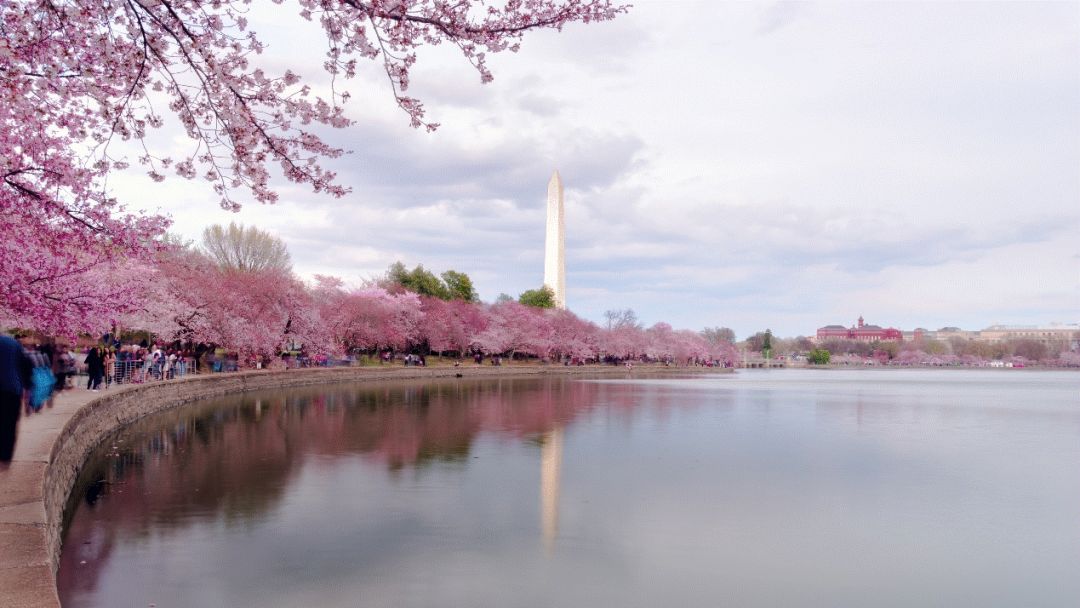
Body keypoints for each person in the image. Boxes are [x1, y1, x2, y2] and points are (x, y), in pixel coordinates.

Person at [0, 334, 31, 465]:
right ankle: (5, 455)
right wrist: (27, 388)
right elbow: (26, 365)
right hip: (12, 389)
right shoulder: (12, 343)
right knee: (10, 422)